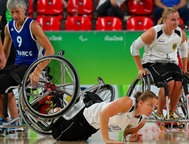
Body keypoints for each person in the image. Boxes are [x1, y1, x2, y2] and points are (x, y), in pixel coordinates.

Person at [0, 0, 55, 131]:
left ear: (24, 10)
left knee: (2, 83)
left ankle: (15, 122)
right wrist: (2, 65)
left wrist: (37, 71)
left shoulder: (33, 25)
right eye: (12, 12)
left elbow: (50, 50)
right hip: (17, 65)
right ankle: (4, 119)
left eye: (17, 12)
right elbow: (6, 52)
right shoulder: (9, 27)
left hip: (32, 65)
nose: (14, 16)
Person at [130, 7, 189, 120]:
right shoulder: (154, 32)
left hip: (171, 63)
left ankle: (171, 113)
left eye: (177, 19)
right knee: (169, 83)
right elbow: (134, 48)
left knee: (179, 83)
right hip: (152, 63)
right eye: (172, 19)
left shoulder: (180, 34)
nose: (176, 22)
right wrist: (140, 68)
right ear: (164, 20)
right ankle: (160, 112)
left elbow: (183, 50)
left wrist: (185, 68)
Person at [51, 90, 158, 143]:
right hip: (85, 117)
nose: (152, 109)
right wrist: (106, 139)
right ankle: (57, 107)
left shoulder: (140, 121)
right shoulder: (128, 103)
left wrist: (131, 138)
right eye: (150, 105)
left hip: (92, 127)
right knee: (58, 135)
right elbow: (104, 114)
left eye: (154, 107)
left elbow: (127, 134)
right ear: (140, 103)